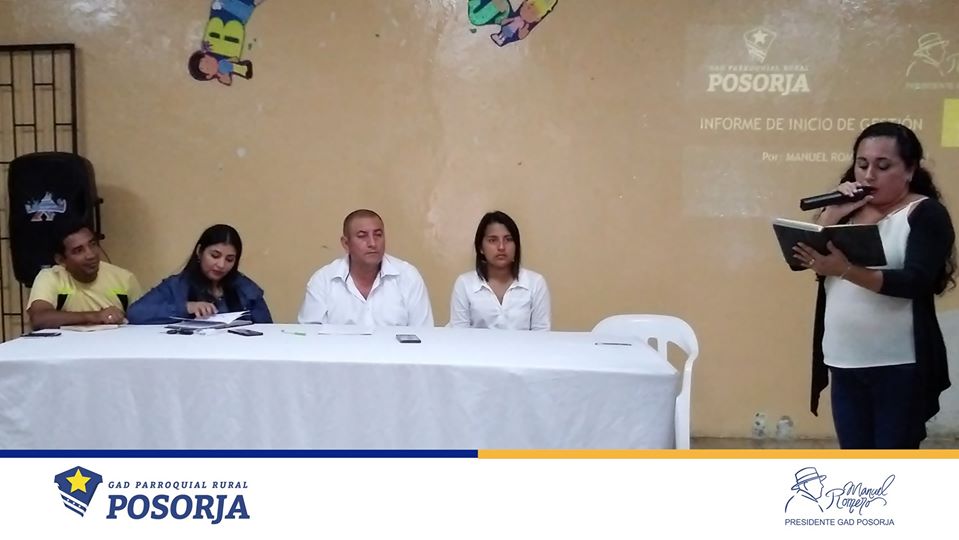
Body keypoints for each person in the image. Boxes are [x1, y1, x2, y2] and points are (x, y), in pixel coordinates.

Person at [792, 122, 956, 449]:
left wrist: (845, 270)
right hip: (843, 358)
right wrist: (832, 214)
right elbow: (799, 259)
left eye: (883, 166)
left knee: (891, 464)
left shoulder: (924, 213)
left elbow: (915, 281)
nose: (869, 176)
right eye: (862, 164)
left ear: (909, 170)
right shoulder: (847, 212)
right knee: (856, 462)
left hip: (899, 364)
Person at [298, 210, 433, 327]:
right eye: (362, 236)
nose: (372, 243)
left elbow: (423, 335)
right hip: (339, 350)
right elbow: (309, 338)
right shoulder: (323, 280)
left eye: (378, 235)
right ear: (346, 243)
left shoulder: (408, 276)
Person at [127, 224, 272, 324]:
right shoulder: (177, 286)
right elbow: (136, 313)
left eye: (229, 259)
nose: (221, 265)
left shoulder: (245, 289)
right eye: (215, 256)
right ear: (199, 251)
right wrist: (186, 307)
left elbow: (267, 330)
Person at [26, 221, 142, 330]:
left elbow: (141, 323)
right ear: (61, 260)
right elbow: (39, 319)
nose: (91, 255)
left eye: (93, 244)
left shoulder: (124, 279)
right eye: (78, 251)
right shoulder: (50, 277)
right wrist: (95, 316)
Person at [449, 211, 550, 330]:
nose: (501, 247)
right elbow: (459, 334)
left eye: (508, 239)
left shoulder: (535, 283)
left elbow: (541, 334)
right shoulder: (465, 284)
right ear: (481, 247)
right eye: (493, 240)